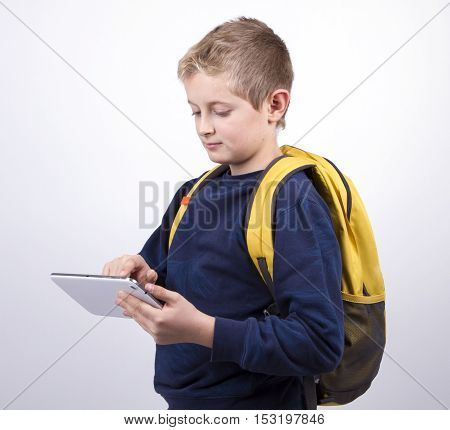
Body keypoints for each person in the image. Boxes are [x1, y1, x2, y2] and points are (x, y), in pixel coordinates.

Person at [102, 16, 344, 410]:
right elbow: (168, 273)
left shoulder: (292, 202)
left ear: (274, 105)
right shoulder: (192, 193)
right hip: (184, 406)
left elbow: (319, 343)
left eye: (220, 111)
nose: (204, 128)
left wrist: (204, 331)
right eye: (195, 112)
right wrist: (142, 272)